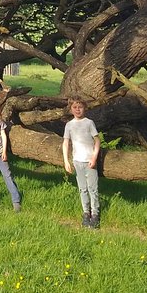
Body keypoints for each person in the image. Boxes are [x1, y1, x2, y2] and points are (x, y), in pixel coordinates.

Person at [62, 98, 101, 229]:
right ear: (71, 109)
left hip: (89, 161)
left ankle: (95, 213)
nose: (78, 109)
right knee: (82, 188)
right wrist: (66, 161)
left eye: (80, 107)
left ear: (85, 108)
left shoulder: (89, 123)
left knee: (92, 188)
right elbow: (66, 143)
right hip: (77, 161)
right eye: (75, 107)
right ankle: (86, 212)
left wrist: (94, 158)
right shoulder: (69, 125)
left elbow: (97, 141)